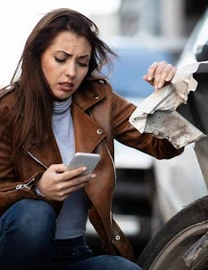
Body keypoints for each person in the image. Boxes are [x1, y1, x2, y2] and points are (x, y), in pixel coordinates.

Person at [0, 8, 183, 270]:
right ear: (37, 55)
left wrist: (167, 97)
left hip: (73, 252)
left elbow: (162, 147)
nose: (71, 72)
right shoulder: (6, 108)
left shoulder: (100, 100)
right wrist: (39, 189)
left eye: (82, 62)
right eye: (61, 59)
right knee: (35, 214)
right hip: (14, 251)